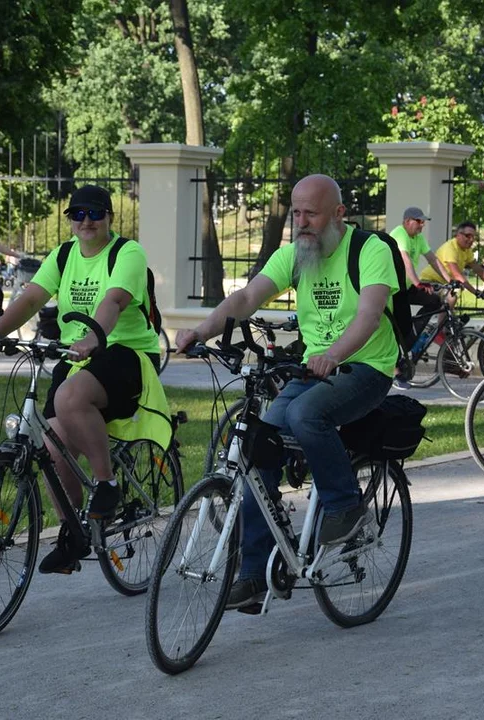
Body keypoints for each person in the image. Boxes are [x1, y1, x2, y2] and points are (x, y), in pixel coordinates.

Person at [175, 174, 400, 611]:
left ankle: (345, 505)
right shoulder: (297, 254)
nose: (301, 222)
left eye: (310, 213)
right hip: (313, 368)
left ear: (338, 214)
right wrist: (200, 330)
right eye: (295, 213)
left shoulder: (370, 250)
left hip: (366, 368)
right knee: (259, 447)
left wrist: (332, 355)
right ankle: (253, 574)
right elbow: (247, 298)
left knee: (305, 417)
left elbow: (370, 316)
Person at [0, 184, 163, 574]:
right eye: (77, 214)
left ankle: (107, 484)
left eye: (94, 213)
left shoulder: (126, 252)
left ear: (109, 216)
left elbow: (113, 301)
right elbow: (29, 298)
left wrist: (94, 338)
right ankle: (73, 532)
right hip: (75, 354)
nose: (86, 221)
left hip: (126, 353)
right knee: (51, 442)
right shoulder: (63, 254)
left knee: (68, 398)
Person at [389, 206, 449, 337]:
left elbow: (433, 259)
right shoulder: (400, 233)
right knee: (402, 327)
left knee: (434, 301)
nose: (422, 225)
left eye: (423, 222)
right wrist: (418, 283)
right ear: (407, 221)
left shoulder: (418, 238)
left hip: (407, 286)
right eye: (419, 221)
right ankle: (405, 347)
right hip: (394, 289)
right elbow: (405, 260)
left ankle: (414, 337)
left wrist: (450, 280)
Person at [419, 220, 484, 304]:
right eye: (468, 236)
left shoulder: (467, 250)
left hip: (445, 284)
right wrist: (475, 292)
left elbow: (479, 270)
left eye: (473, 237)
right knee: (451, 298)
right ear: (458, 235)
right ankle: (441, 318)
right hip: (430, 281)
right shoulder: (450, 248)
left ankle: (441, 317)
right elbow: (457, 275)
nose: (471, 240)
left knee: (442, 305)